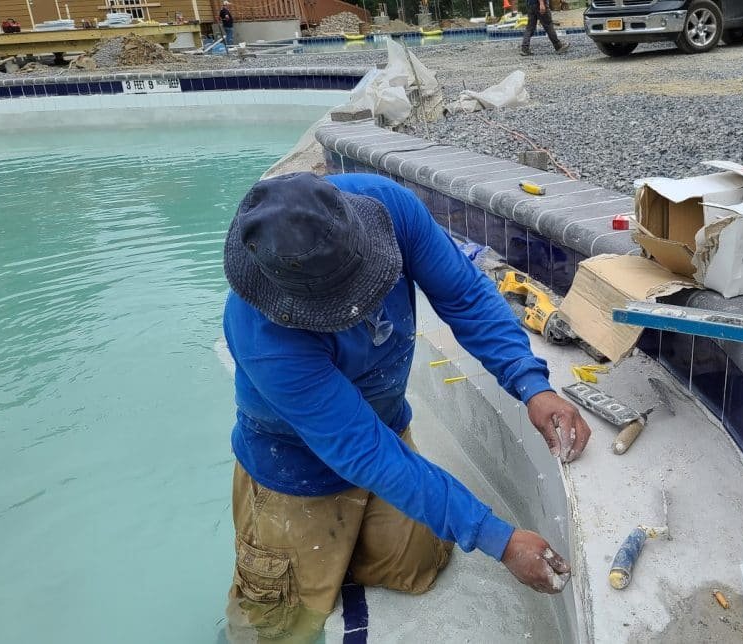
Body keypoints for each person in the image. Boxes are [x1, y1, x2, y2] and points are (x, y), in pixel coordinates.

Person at [221, 172, 592, 642]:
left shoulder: (390, 207)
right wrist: (500, 540)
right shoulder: (263, 336)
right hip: (293, 466)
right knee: (276, 626)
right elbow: (365, 451)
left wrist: (530, 382)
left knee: (418, 564)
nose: (362, 309)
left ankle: (351, 552)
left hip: (387, 425)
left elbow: (464, 295)